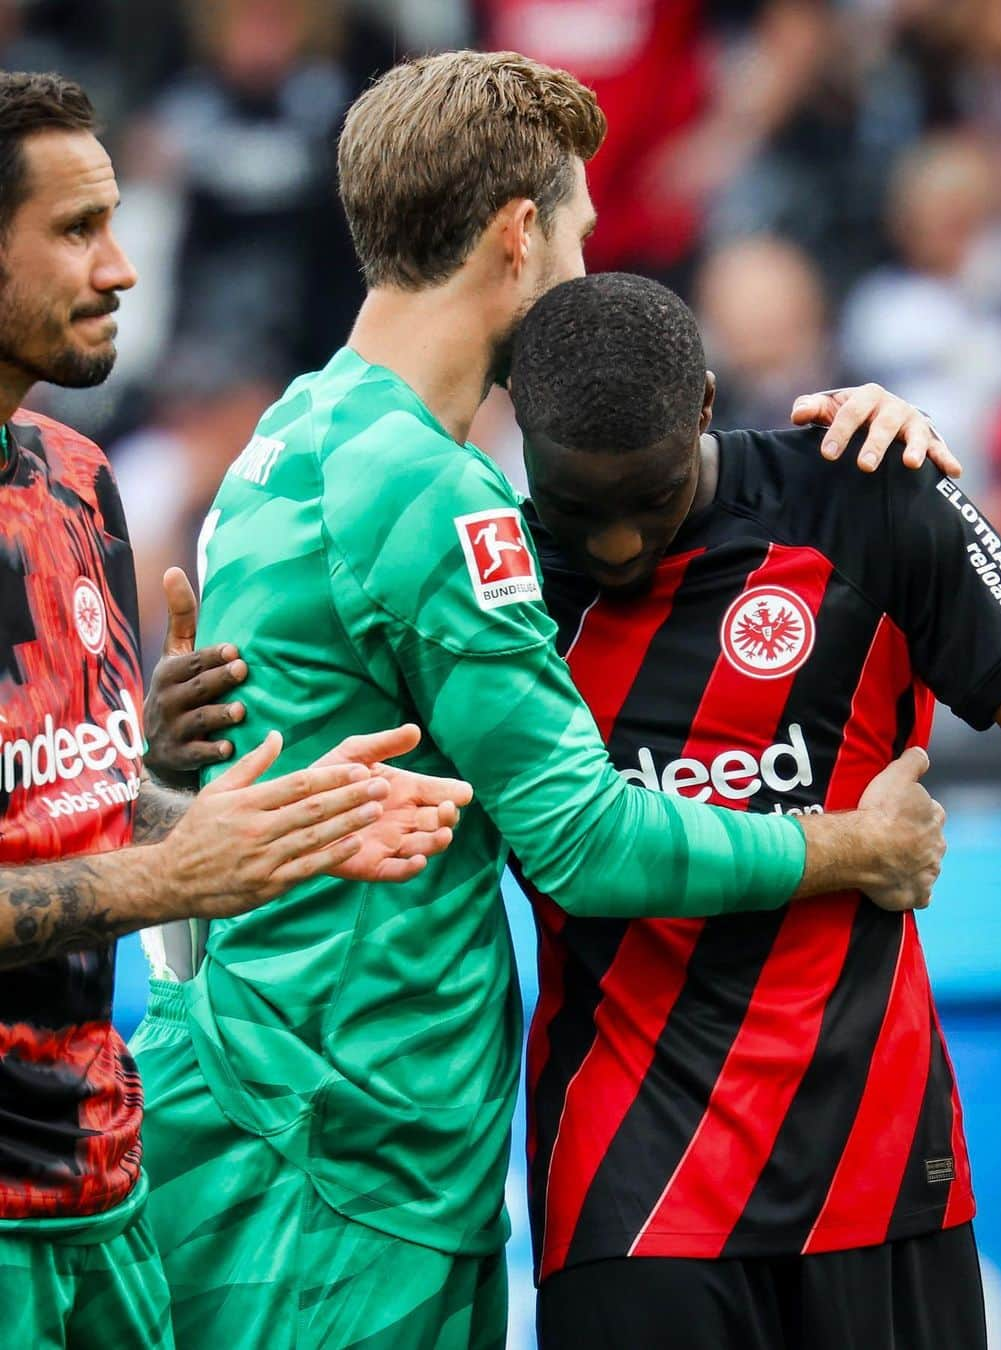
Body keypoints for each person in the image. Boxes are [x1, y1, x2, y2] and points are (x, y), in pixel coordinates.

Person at [132, 50, 956, 1350]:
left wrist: (827, 459)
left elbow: (199, 790)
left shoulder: (297, 427)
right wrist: (857, 842)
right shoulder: (429, 492)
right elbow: (583, 840)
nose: (583, 265)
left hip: (277, 1104)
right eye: (575, 227)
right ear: (520, 236)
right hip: (347, 1159)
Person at [502, 273, 1001, 1349]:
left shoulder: (867, 494)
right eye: (581, 509)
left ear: (708, 406)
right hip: (628, 1179)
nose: (618, 545)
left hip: (877, 1158)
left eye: (651, 496)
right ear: (516, 430)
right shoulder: (488, 581)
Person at [0, 70, 471, 1350]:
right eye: (76, 229)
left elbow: (88, 832)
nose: (122, 268)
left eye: (118, 221)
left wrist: (212, 807)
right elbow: (127, 882)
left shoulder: (77, 484)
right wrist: (167, 878)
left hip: (103, 1193)